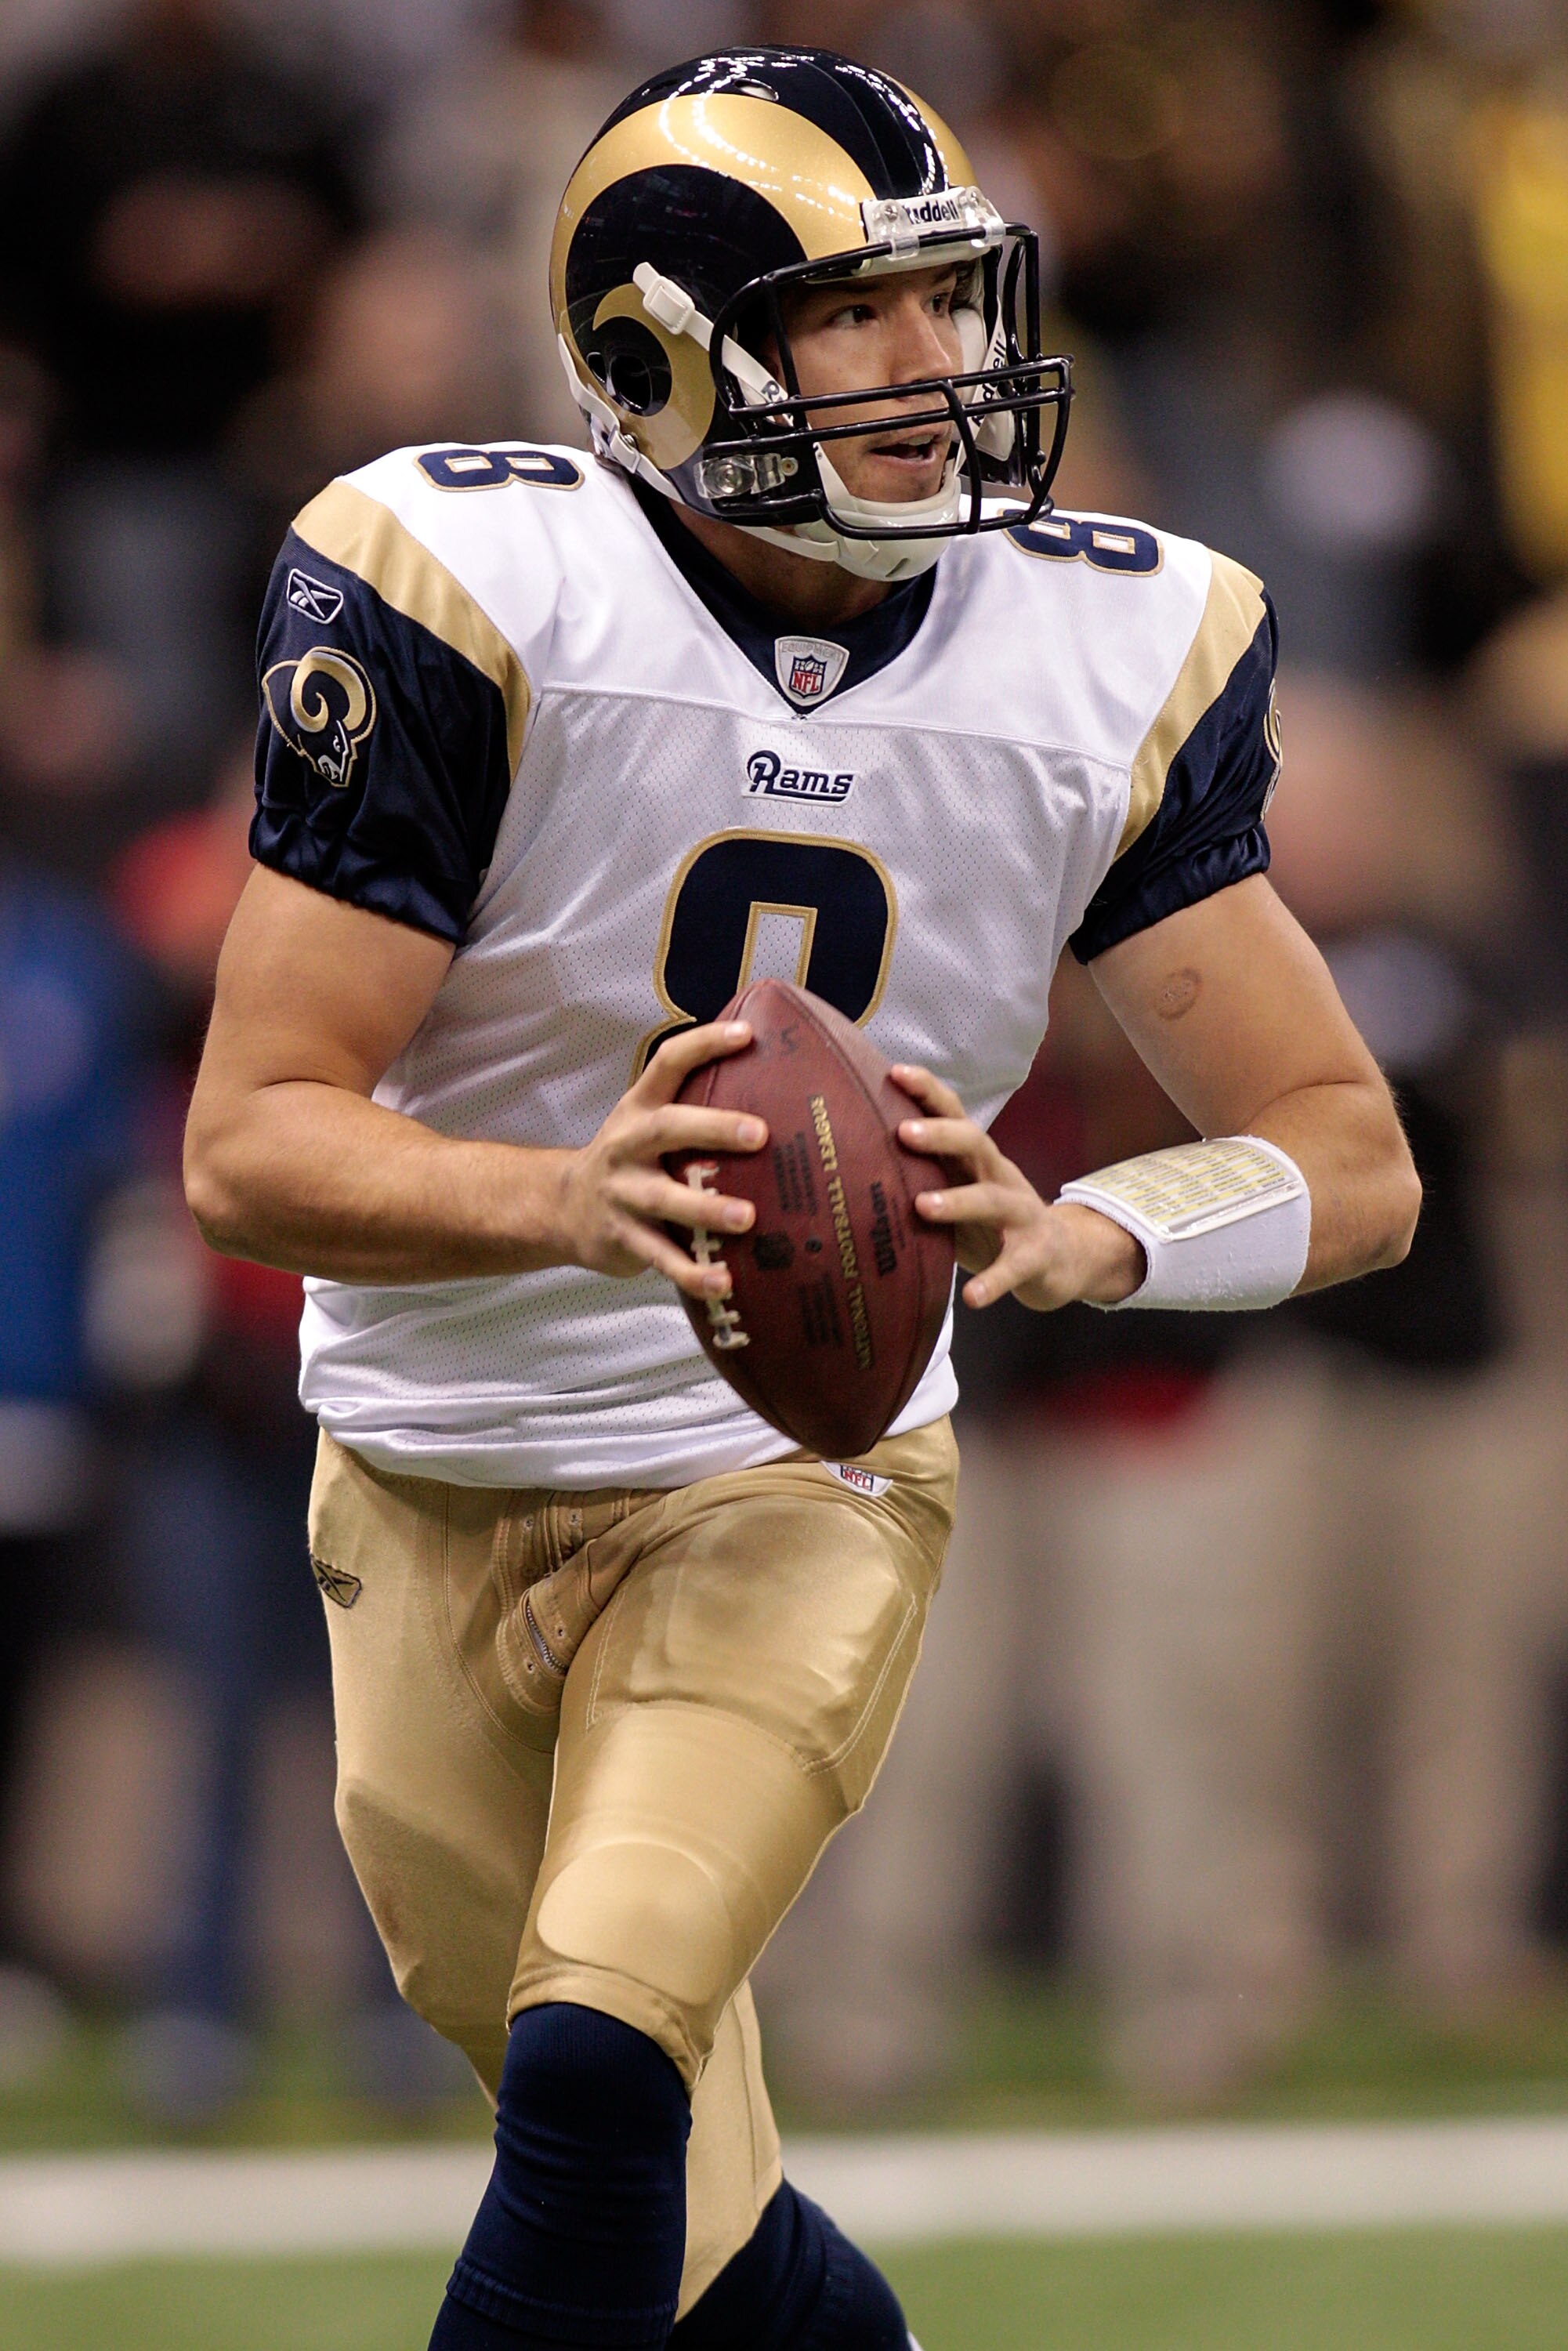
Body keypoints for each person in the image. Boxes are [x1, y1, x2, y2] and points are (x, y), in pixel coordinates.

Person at [183, 48, 1420, 2351]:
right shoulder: (467, 585)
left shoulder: (1104, 643)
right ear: (662, 354)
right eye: (858, 316)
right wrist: (568, 1200)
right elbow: (253, 1139)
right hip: (425, 1462)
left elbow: (1349, 1156)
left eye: (954, 306)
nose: (937, 367)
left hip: (792, 1468)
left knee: (592, 2062)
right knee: (685, 2224)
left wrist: (1086, 1236)